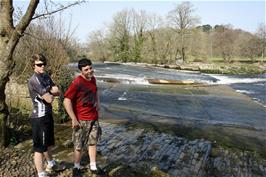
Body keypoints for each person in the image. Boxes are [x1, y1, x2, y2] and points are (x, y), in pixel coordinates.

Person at [28, 54, 65, 177]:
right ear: (33, 66)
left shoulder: (45, 76)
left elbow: (58, 91)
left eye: (44, 63)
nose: (42, 66)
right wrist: (50, 91)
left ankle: (51, 164)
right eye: (39, 64)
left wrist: (48, 91)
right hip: (39, 117)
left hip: (48, 115)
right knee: (39, 148)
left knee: (48, 143)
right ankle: (41, 173)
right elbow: (49, 98)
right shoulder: (34, 80)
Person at [63, 58, 101, 176]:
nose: (89, 71)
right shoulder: (77, 82)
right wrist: (73, 118)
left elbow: (95, 91)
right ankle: (76, 167)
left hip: (93, 117)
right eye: (86, 69)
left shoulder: (93, 79)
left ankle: (93, 166)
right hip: (81, 119)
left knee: (93, 142)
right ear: (81, 71)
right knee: (79, 145)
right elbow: (66, 101)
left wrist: (98, 103)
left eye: (90, 68)